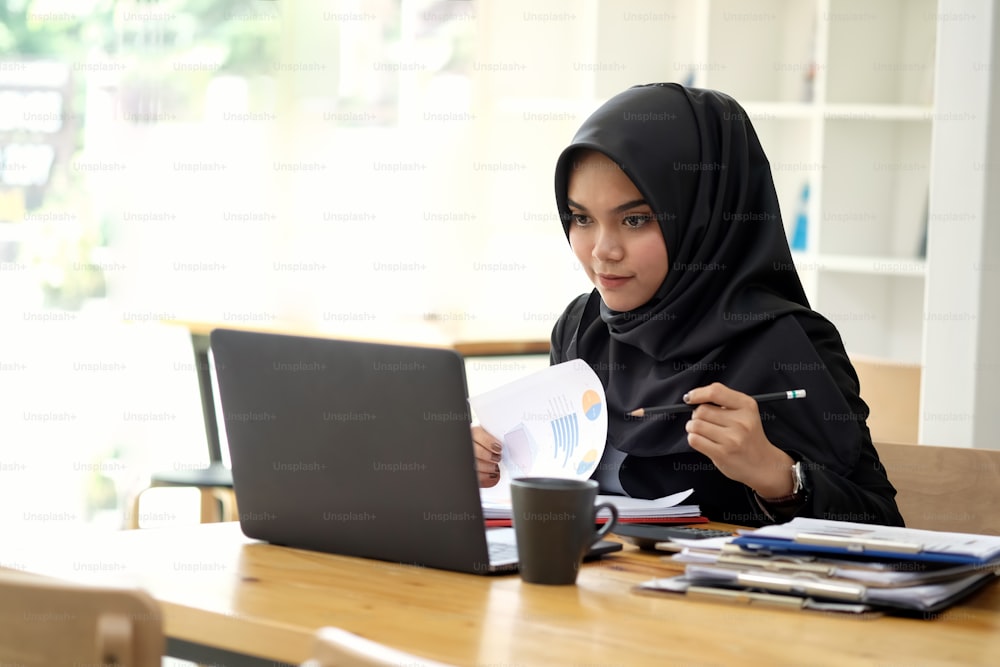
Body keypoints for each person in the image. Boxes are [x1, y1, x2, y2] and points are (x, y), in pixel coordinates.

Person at [472, 83, 904, 527]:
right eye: (582, 218)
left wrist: (779, 477)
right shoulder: (583, 329)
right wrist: (495, 467)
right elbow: (558, 488)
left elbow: (884, 528)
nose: (602, 251)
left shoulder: (787, 344)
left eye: (635, 219)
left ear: (705, 217)